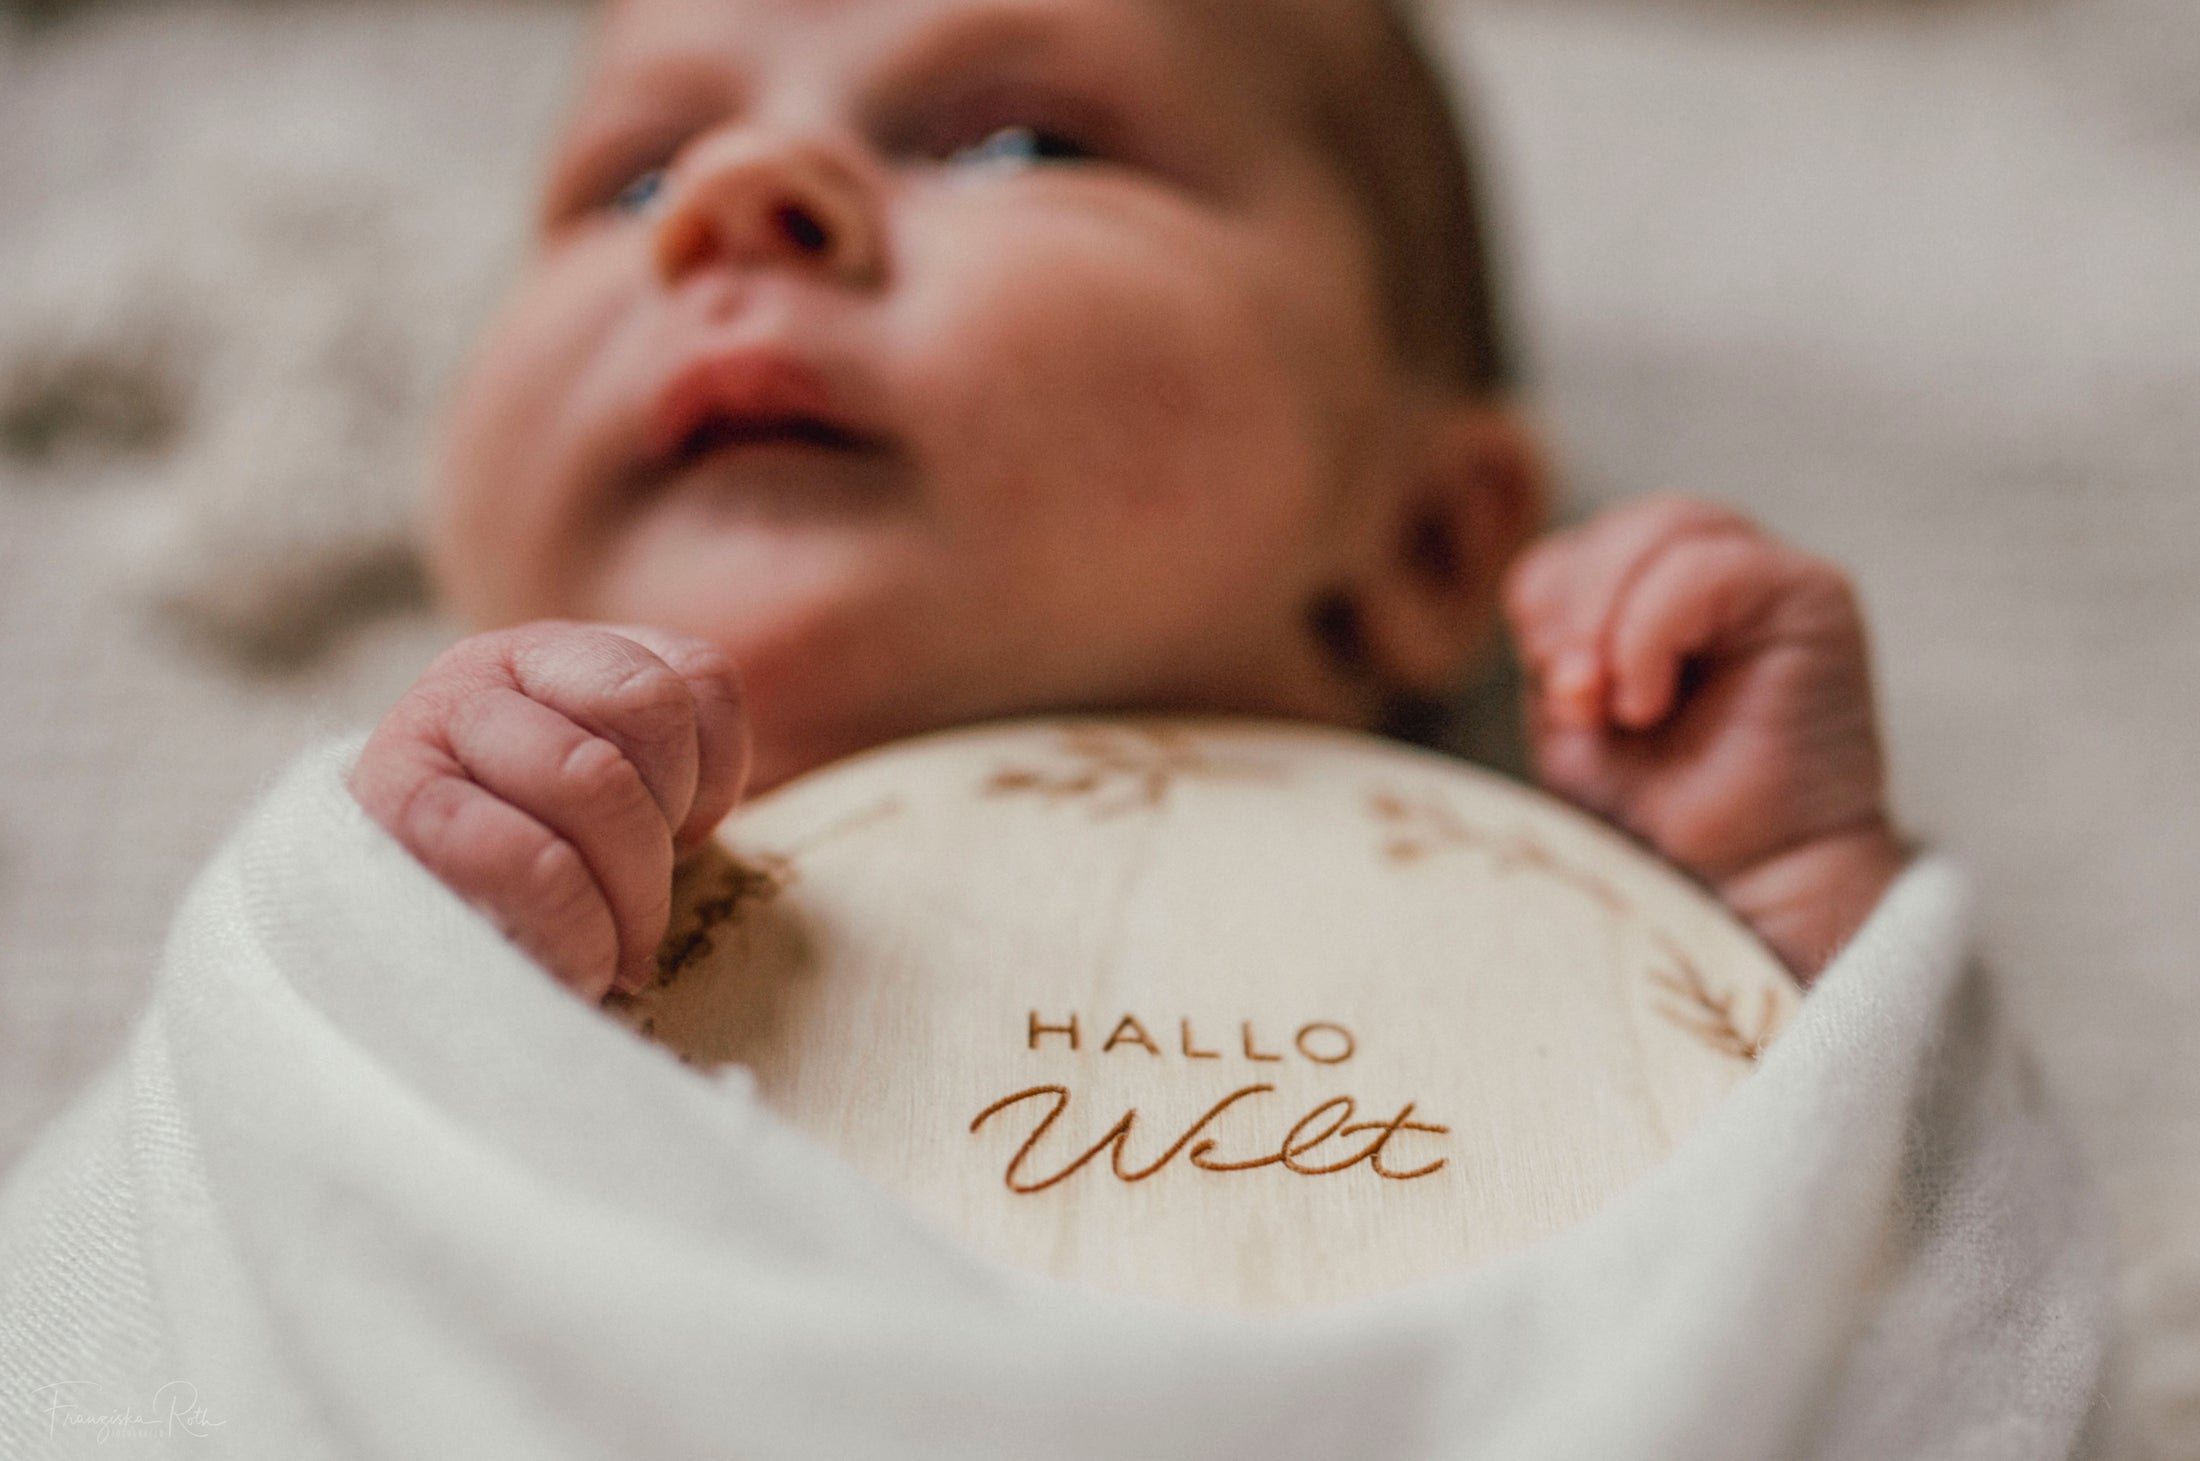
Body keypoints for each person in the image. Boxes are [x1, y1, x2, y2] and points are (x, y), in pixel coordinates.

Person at [349, 0, 1907, 1004]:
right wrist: (382, 968)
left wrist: (1779, 936)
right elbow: (159, 1306)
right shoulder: (386, 911)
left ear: (1431, 544)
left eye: (1018, 143)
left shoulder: (1555, 943)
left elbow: (1920, 1369)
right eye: (635, 176)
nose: (736, 192)